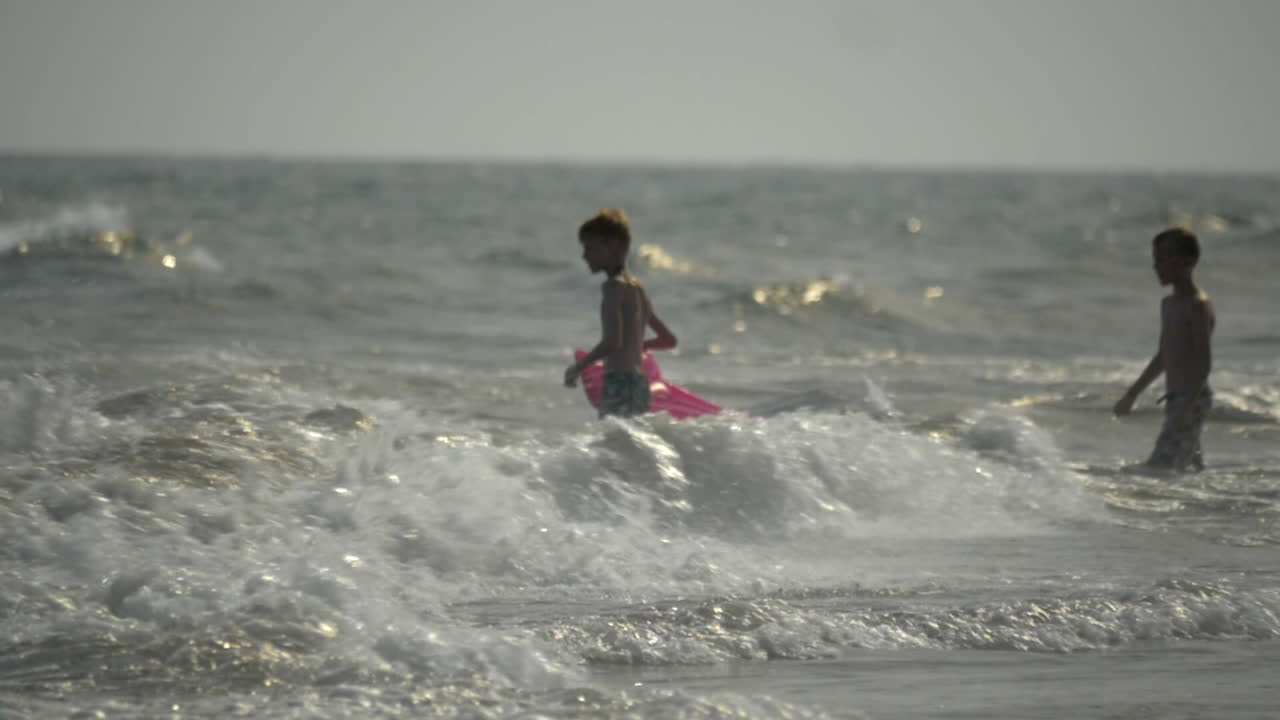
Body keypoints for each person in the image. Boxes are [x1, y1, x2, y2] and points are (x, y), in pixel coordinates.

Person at [1113, 227, 1215, 471]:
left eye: (1162, 260)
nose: (1156, 267)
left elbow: (1203, 360)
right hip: (1175, 397)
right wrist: (1132, 393)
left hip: (1191, 397)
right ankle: (1205, 505)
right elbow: (1163, 357)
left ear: (1188, 261)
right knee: (1190, 466)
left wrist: (1189, 403)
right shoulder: (1168, 304)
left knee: (1161, 467)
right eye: (1155, 260)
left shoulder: (1197, 305)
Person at [563, 209, 677, 417]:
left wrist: (578, 367)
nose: (584, 255)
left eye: (590, 247)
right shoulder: (637, 289)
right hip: (640, 384)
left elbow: (612, 342)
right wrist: (640, 344)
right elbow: (668, 340)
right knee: (630, 445)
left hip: (618, 383)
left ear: (612, 245)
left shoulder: (612, 288)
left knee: (612, 444)